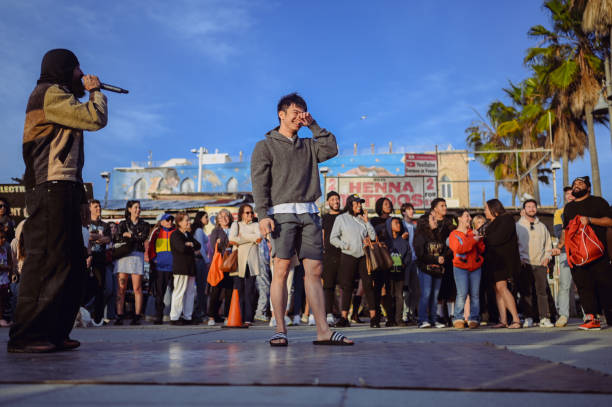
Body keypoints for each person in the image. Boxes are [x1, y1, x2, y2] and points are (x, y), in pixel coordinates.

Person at [8, 49, 107, 353]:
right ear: (63, 69)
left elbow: (71, 158)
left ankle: (54, 331)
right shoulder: (50, 94)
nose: (82, 74)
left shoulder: (62, 97)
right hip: (49, 187)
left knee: (72, 265)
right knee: (45, 262)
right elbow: (94, 118)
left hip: (63, 188)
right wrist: (96, 92)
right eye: (77, 69)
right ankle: (26, 336)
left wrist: (80, 198)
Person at [251, 92, 352, 346]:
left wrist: (313, 124)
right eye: (294, 112)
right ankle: (280, 330)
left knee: (315, 271)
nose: (299, 117)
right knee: (282, 269)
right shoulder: (265, 146)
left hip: (309, 212)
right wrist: (263, 215)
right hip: (280, 214)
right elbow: (259, 183)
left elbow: (331, 148)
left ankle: (323, 331)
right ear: (281, 115)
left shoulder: (309, 144)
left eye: (302, 112)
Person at [562, 176, 612, 330]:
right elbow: (566, 231)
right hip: (578, 255)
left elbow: (610, 221)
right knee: (584, 287)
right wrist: (560, 246)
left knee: (605, 286)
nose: (576, 186)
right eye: (575, 184)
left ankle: (610, 315)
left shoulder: (598, 202)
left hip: (598, 253)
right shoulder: (568, 208)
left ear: (588, 188)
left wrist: (590, 220)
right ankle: (591, 318)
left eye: (580, 183)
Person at [329, 194, 379, 328]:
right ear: (350, 205)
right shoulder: (341, 218)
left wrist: (367, 221)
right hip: (348, 255)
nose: (359, 206)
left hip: (363, 256)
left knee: (368, 285)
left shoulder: (363, 219)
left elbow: (373, 237)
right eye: (356, 204)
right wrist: (345, 245)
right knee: (347, 287)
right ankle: (344, 318)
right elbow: (333, 238)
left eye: (360, 204)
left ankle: (374, 318)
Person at [516, 199, 557, 328]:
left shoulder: (542, 226)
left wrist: (547, 257)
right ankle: (528, 317)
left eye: (533, 206)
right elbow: (514, 245)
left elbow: (547, 244)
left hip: (540, 263)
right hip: (525, 263)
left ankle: (544, 318)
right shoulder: (518, 226)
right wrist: (519, 259)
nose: (531, 209)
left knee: (542, 292)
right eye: (528, 207)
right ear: (524, 209)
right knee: (526, 293)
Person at [484, 199, 521, 329]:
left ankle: (516, 319)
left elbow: (498, 238)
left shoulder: (506, 219)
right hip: (494, 261)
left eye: (486, 208)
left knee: (502, 288)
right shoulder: (491, 223)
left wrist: (483, 238)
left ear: (494, 208)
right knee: (498, 290)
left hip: (503, 261)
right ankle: (503, 320)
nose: (484, 211)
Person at [115, 200, 150, 326]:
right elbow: (118, 237)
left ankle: (137, 315)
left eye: (139, 207)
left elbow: (143, 237)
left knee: (137, 288)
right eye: (135, 207)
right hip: (124, 256)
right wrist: (135, 236)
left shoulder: (145, 224)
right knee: (121, 288)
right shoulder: (123, 224)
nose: (138, 210)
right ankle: (119, 315)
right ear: (129, 209)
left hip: (137, 256)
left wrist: (130, 235)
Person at [448, 209, 484, 329]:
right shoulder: (454, 234)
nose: (469, 218)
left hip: (475, 267)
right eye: (466, 216)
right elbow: (459, 249)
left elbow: (482, 249)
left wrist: (478, 238)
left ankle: (474, 318)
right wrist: (473, 240)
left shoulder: (472, 232)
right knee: (462, 294)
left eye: (469, 216)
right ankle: (458, 317)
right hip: (460, 268)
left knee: (475, 294)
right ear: (459, 218)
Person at [414, 211, 450, 328]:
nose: (435, 221)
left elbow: (443, 249)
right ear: (425, 223)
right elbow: (420, 254)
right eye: (433, 219)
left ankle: (434, 319)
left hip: (438, 270)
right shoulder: (420, 236)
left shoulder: (437, 234)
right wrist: (435, 259)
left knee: (435, 296)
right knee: (426, 294)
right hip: (426, 269)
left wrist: (443, 257)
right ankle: (422, 320)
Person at [229, 204, 262, 325]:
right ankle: (239, 316)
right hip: (239, 260)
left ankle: (248, 317)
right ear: (241, 214)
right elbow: (231, 239)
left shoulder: (256, 225)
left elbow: (259, 237)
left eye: (251, 212)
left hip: (252, 261)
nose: (250, 215)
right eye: (247, 213)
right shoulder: (235, 225)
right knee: (239, 289)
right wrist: (251, 238)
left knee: (250, 290)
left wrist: (242, 237)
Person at [169, 212, 201, 325]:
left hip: (190, 268)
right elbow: (181, 248)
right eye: (186, 220)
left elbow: (198, 245)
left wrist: (190, 244)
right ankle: (174, 317)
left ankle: (187, 316)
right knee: (179, 291)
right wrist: (189, 245)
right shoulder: (175, 235)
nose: (189, 222)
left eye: (189, 220)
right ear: (179, 222)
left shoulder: (188, 234)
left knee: (190, 292)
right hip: (181, 268)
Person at [430, 198, 456, 327]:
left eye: (445, 205)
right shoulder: (428, 222)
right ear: (435, 208)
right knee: (438, 290)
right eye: (442, 205)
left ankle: (451, 315)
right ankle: (440, 315)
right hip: (435, 260)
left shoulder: (450, 223)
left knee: (451, 288)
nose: (445, 207)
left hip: (449, 260)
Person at [552, 187, 575, 327]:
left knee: (585, 285)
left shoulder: (583, 210)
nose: (570, 196)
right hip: (566, 252)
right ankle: (563, 315)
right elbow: (558, 231)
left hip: (583, 253)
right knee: (565, 284)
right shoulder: (559, 213)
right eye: (567, 194)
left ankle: (589, 315)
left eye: (572, 193)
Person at [147, 213, 175, 324]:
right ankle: (158, 316)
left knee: (175, 293)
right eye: (167, 220)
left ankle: (173, 316)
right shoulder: (157, 232)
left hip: (173, 267)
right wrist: (153, 259)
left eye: (171, 220)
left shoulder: (175, 232)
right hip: (160, 268)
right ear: (162, 221)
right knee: (159, 294)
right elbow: (150, 247)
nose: (170, 222)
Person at [207, 209, 234, 325]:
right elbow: (215, 246)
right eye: (221, 216)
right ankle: (211, 316)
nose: (224, 218)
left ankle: (228, 315)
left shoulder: (234, 229)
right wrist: (225, 244)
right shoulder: (216, 231)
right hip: (219, 264)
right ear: (217, 219)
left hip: (232, 263)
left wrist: (224, 244)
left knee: (229, 291)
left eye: (226, 216)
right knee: (216, 290)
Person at [385, 217, 412, 326]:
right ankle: (390, 319)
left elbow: (408, 254)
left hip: (400, 272)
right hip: (388, 273)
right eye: (395, 223)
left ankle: (398, 319)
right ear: (389, 226)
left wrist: (404, 263)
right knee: (389, 295)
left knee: (399, 295)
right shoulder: (386, 241)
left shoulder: (403, 241)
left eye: (399, 223)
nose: (399, 225)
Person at [87, 200, 111, 325]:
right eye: (95, 206)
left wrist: (96, 238)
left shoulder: (105, 225)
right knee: (86, 287)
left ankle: (98, 317)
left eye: (99, 206)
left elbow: (107, 239)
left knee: (101, 287)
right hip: (88, 258)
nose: (98, 208)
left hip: (100, 259)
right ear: (90, 208)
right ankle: (85, 313)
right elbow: (88, 237)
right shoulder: (86, 223)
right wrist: (98, 238)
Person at [322, 191, 342, 326]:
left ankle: (343, 314)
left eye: (337, 199)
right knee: (328, 285)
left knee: (343, 286)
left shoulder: (345, 217)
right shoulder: (324, 218)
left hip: (344, 253)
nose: (336, 201)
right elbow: (322, 235)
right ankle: (328, 313)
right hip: (328, 255)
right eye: (333, 199)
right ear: (328, 202)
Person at [400, 203, 419, 324]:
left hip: (415, 260)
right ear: (403, 212)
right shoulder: (401, 225)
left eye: (412, 209)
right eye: (409, 209)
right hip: (405, 261)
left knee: (416, 290)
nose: (411, 211)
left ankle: (412, 313)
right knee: (405, 289)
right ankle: (405, 314)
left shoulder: (415, 226)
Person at [191, 211, 211, 323]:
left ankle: (200, 311)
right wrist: (206, 260)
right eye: (206, 217)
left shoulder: (201, 230)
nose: (207, 219)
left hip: (200, 260)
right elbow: (201, 247)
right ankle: (200, 312)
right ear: (200, 218)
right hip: (200, 261)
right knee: (201, 288)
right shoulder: (198, 231)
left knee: (201, 288)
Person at [0, 230, 14, 327]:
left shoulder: (5, 249)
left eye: (4, 237)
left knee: (3, 300)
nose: (3, 239)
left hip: (4, 279)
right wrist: (5, 267)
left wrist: (9, 269)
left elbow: (10, 263)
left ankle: (1, 318)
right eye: (1, 238)